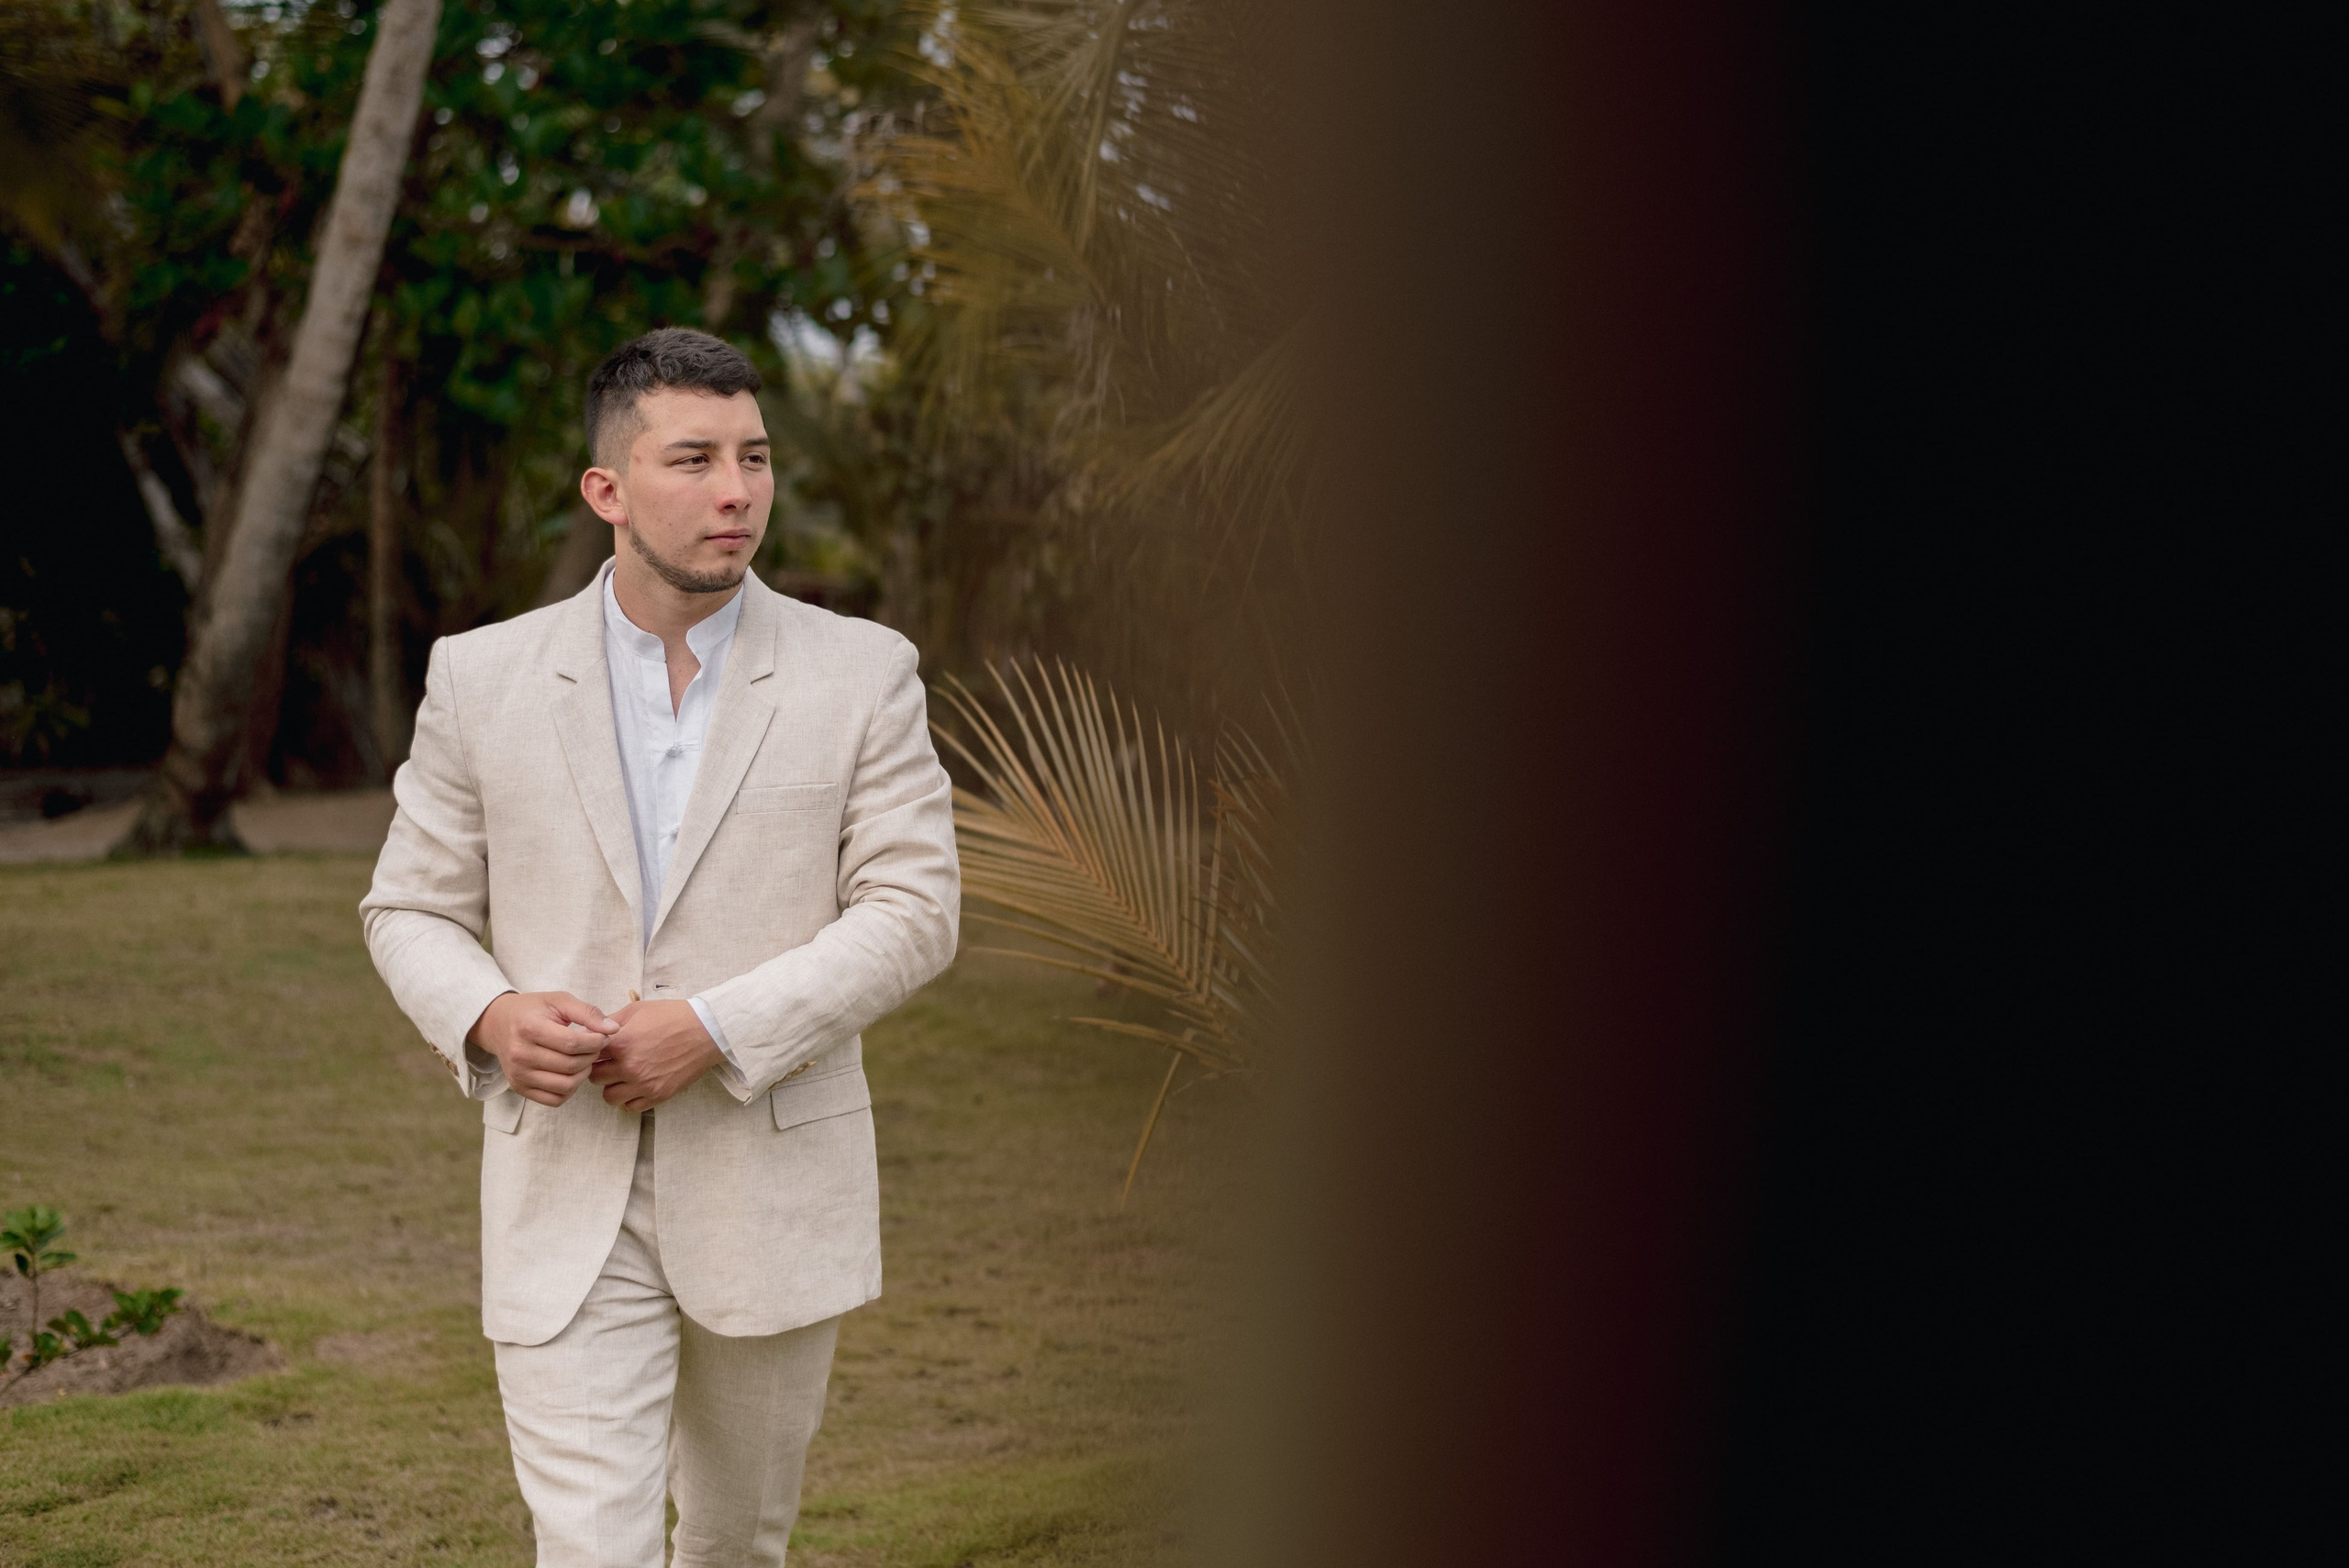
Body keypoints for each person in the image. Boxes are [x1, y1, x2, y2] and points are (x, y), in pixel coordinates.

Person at [361, 328, 959, 1566]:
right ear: (609, 490)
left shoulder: (865, 673)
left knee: (737, 1544)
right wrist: (490, 1016)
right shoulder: (480, 677)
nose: (737, 491)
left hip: (770, 1180)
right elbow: (408, 907)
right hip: (562, 1185)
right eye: (694, 459)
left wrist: (716, 1028)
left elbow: (914, 910)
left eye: (754, 456)